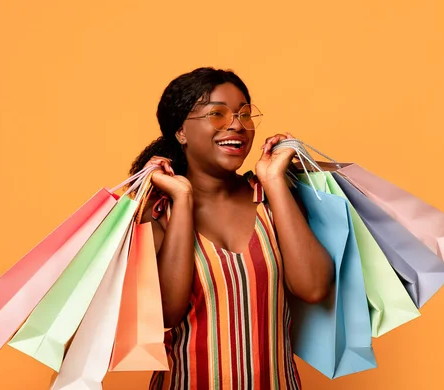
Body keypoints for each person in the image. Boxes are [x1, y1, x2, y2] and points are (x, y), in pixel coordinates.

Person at [129, 67, 334, 390]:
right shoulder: (156, 211)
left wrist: (274, 182)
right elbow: (166, 314)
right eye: (218, 114)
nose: (237, 124)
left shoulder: (273, 199)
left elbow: (313, 288)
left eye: (244, 114)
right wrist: (182, 199)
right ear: (181, 131)